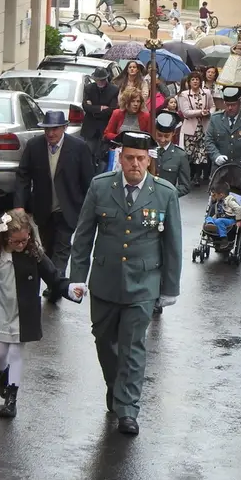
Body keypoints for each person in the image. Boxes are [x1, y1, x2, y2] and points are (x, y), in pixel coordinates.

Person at [69, 131, 182, 435]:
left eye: (140, 159)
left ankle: (128, 409)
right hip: (105, 281)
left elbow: (173, 244)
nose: (135, 164)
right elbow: (83, 236)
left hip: (143, 284)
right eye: (129, 157)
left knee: (133, 346)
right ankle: (115, 386)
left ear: (149, 161)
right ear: (120, 158)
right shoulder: (101, 186)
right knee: (104, 342)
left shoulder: (164, 193)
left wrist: (170, 288)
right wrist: (77, 277)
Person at [0, 209, 84, 418]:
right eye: (16, 241)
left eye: (25, 240)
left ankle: (11, 398)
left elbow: (53, 277)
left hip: (23, 314)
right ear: (5, 237)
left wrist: (70, 289)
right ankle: (4, 374)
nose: (21, 245)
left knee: (16, 354)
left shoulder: (33, 254)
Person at [14, 111, 95, 302]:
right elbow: (22, 176)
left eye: (55, 129)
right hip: (43, 208)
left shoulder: (78, 147)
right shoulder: (34, 146)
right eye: (47, 129)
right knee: (47, 248)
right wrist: (19, 205)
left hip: (68, 209)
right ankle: (54, 283)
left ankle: (56, 287)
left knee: (62, 248)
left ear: (65, 128)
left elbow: (89, 180)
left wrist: (88, 209)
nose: (51, 133)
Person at [204, 86, 241, 197]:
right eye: (227, 105)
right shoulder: (216, 119)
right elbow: (209, 140)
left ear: (239, 103)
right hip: (220, 170)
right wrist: (216, 156)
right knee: (216, 205)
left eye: (233, 105)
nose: (230, 108)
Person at [178, 71, 213, 186]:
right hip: (190, 128)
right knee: (189, 154)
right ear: (189, 82)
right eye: (192, 79)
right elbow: (186, 112)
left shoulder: (206, 93)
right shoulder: (184, 95)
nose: (195, 81)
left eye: (197, 79)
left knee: (202, 153)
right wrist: (200, 112)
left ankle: (197, 176)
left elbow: (212, 106)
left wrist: (209, 113)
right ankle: (188, 175)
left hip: (203, 127)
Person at [82, 65, 119, 173]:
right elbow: (85, 106)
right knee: (88, 154)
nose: (101, 82)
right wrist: (100, 108)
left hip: (105, 127)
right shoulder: (89, 88)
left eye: (103, 79)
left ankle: (99, 174)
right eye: (98, 80)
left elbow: (112, 109)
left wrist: (93, 109)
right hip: (90, 128)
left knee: (102, 155)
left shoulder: (114, 90)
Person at [150, 111, 191, 197]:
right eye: (159, 135)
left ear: (173, 134)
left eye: (166, 136)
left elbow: (185, 186)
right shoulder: (148, 150)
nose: (162, 139)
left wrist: (168, 195)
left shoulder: (180, 155)